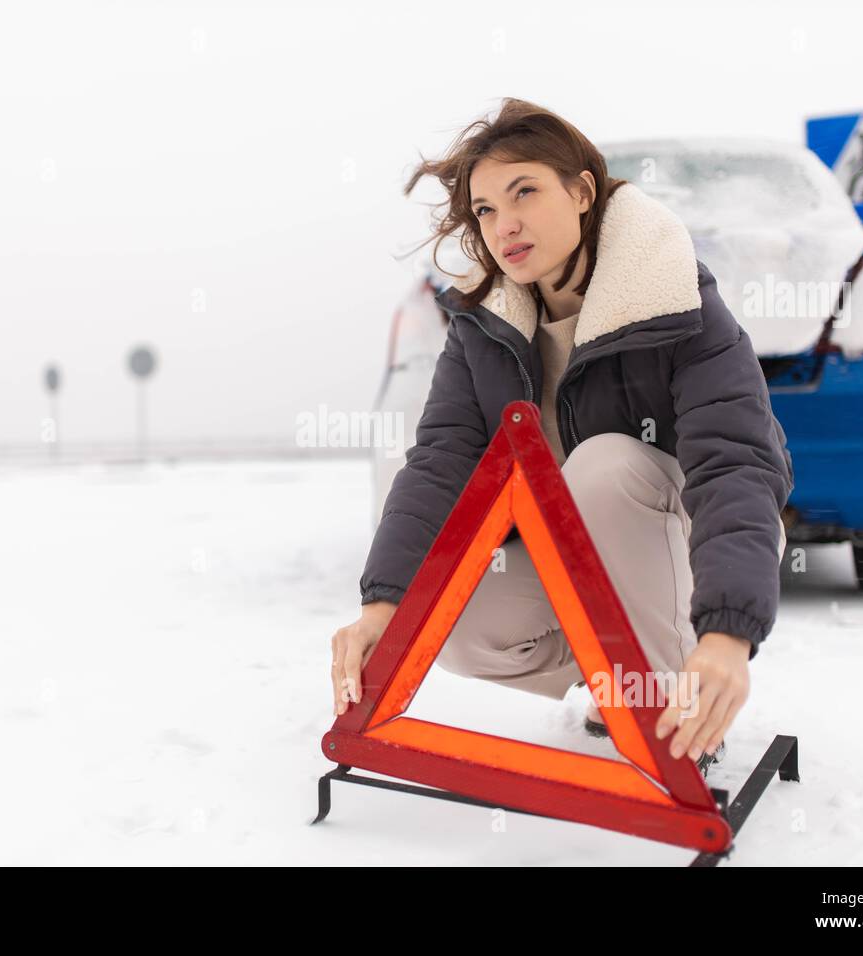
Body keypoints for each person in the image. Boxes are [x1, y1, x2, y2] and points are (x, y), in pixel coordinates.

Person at [329, 98, 794, 770]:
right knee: (447, 618)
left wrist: (727, 634)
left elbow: (736, 463)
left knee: (603, 465)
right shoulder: (483, 330)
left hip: (682, 538)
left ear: (581, 191)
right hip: (576, 559)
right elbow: (440, 463)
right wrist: (382, 604)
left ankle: (671, 701)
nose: (504, 224)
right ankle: (616, 676)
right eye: (485, 210)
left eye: (525, 192)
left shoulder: (673, 299)